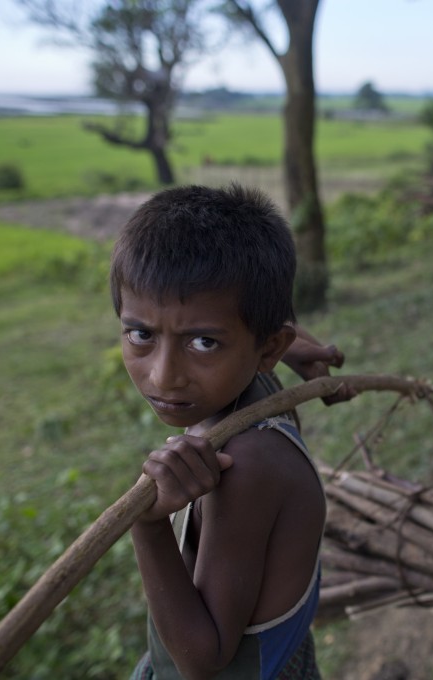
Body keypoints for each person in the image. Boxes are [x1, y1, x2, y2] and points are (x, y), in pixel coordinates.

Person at [113, 184, 334, 679]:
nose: (164, 376)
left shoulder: (247, 466)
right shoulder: (250, 385)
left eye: (203, 342)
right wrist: (268, 348)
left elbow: (202, 660)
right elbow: (252, 333)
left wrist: (146, 525)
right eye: (141, 334)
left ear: (267, 347)